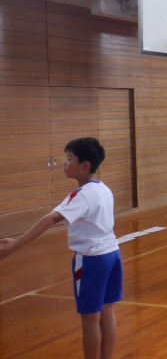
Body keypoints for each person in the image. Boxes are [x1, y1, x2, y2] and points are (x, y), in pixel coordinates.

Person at [0, 138, 122, 359]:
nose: (64, 163)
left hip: (92, 260)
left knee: (90, 319)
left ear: (85, 165)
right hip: (112, 254)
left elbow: (51, 218)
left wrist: (16, 244)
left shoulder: (82, 195)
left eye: (69, 159)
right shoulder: (104, 189)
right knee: (107, 312)